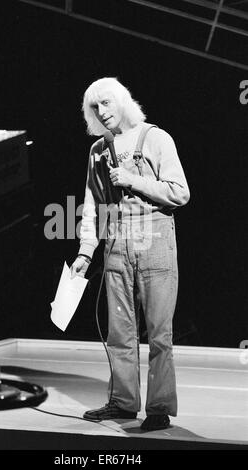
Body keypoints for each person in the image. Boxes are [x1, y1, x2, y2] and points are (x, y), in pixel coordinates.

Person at [71, 77, 190, 431]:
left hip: (154, 243)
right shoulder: (96, 152)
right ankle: (123, 403)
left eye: (106, 103)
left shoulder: (155, 138)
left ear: (122, 101)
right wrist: (86, 251)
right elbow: (92, 205)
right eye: (94, 107)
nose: (101, 112)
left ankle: (159, 408)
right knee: (119, 332)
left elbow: (180, 192)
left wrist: (133, 180)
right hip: (117, 248)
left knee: (158, 334)